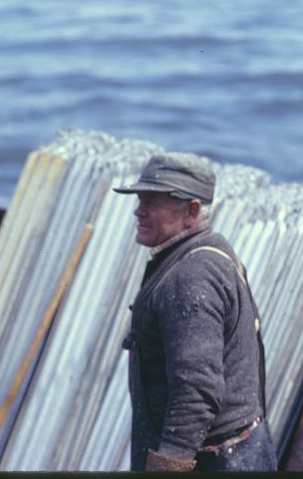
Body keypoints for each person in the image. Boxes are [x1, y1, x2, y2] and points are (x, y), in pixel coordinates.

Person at [114, 152, 277, 472]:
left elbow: (196, 389)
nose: (138, 211)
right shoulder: (210, 252)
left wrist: (169, 465)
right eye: (140, 199)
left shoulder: (191, 276)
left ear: (192, 211)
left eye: (153, 202)